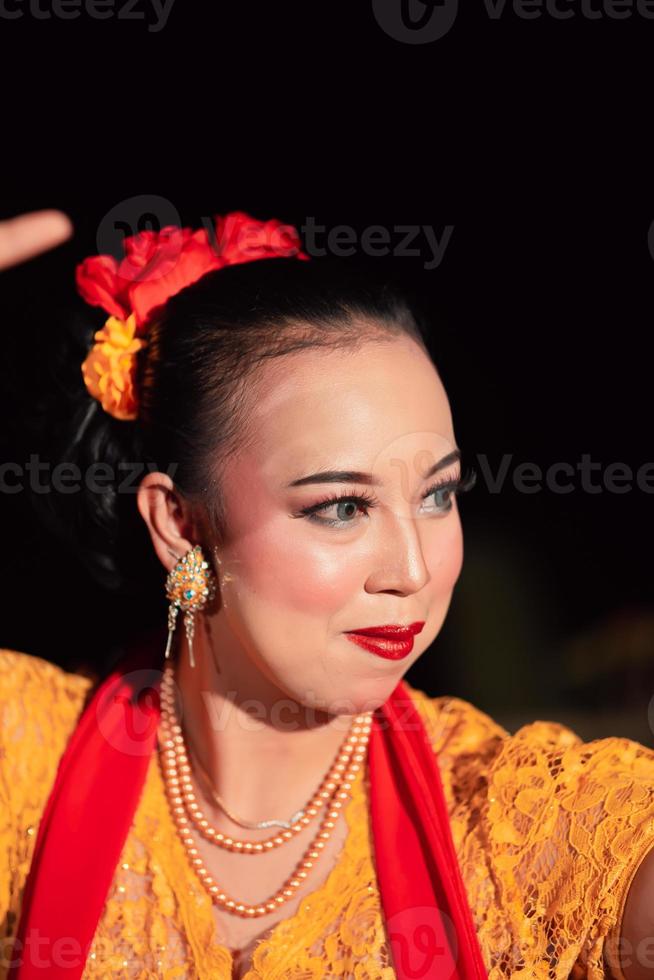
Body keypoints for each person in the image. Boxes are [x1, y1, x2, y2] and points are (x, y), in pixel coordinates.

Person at [1, 210, 654, 980]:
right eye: (342, 507)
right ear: (179, 523)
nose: (412, 569)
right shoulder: (25, 762)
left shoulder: (516, 823)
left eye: (438, 495)